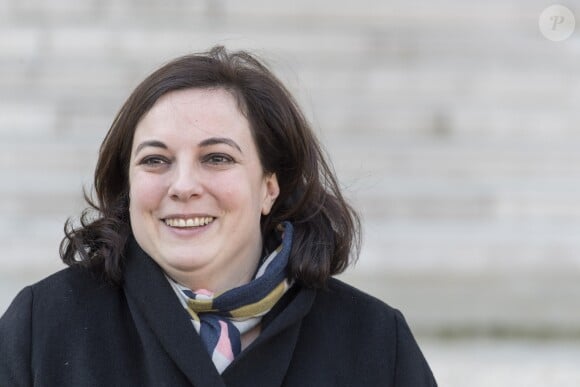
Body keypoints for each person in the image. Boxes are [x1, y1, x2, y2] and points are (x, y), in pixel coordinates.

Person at [0, 46, 437, 386]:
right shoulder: (43, 326)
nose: (183, 185)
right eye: (155, 160)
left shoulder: (375, 341)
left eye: (217, 158)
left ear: (269, 186)